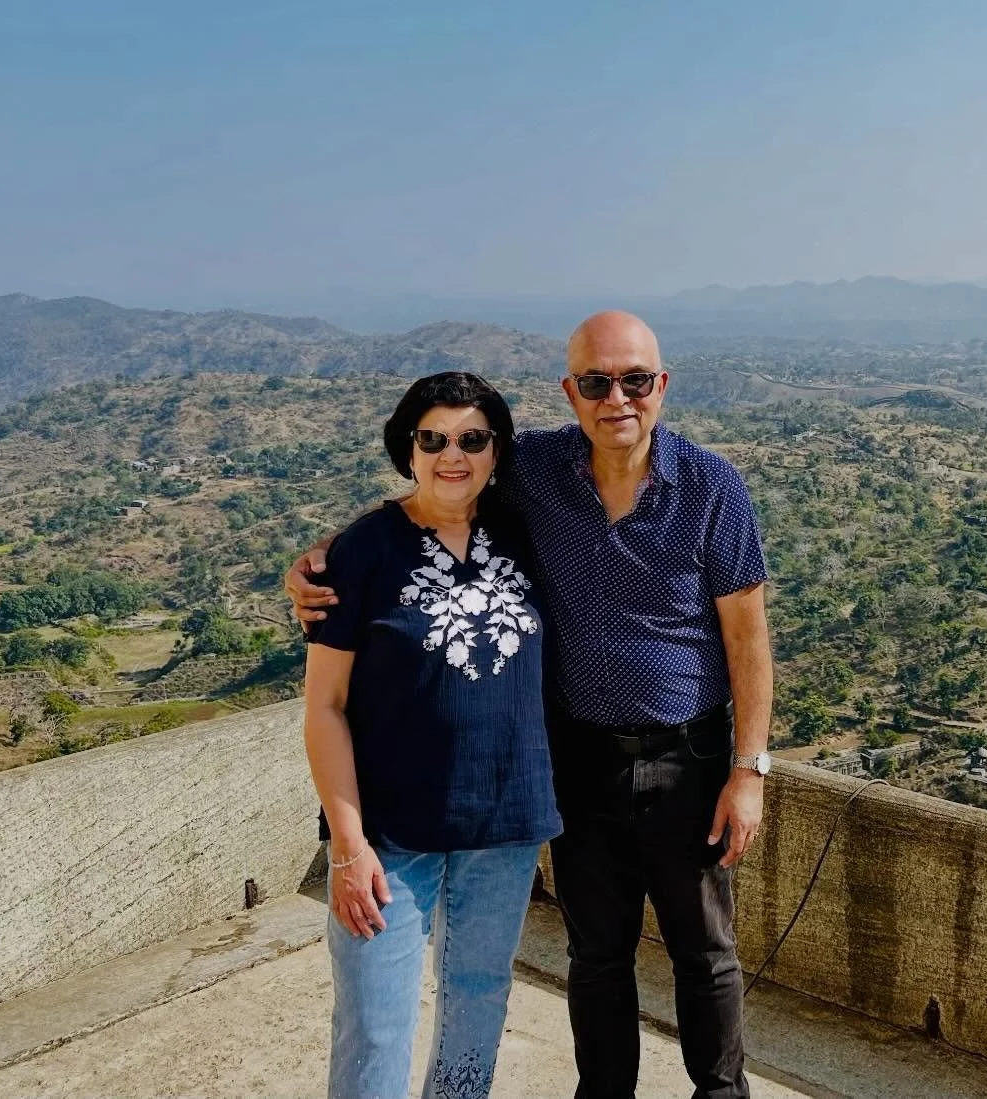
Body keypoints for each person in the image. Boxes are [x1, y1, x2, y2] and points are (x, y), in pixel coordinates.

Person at [289, 312, 772, 1099]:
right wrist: (317, 556)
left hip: (682, 759)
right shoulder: (540, 472)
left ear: (662, 386)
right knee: (595, 955)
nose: (617, 397)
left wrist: (748, 768)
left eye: (635, 380)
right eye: (596, 382)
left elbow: (748, 637)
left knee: (703, 951)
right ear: (570, 392)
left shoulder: (711, 487)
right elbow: (430, 495)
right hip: (572, 762)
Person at [302, 371, 561, 1099]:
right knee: (374, 1022)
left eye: (472, 439)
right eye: (434, 439)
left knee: (477, 1003)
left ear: (496, 450)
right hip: (388, 831)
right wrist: (348, 846)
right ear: (407, 449)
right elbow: (324, 705)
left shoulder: (527, 532)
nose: (454, 454)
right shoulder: (363, 552)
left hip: (505, 820)